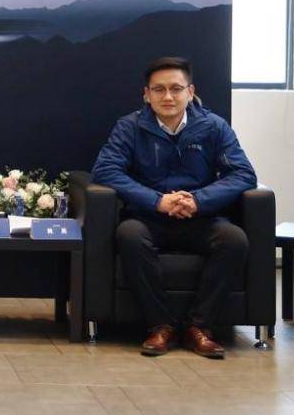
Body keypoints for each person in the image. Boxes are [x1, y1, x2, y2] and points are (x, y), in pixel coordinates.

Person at [92, 56, 257, 359]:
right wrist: (157, 201)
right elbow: (105, 170)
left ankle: (199, 327)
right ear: (147, 95)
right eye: (159, 89)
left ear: (190, 92)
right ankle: (161, 326)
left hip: (200, 218)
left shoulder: (213, 126)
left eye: (176, 89)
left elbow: (243, 174)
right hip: (149, 217)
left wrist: (199, 200)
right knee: (129, 235)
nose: (168, 96)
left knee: (234, 240)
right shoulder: (130, 127)